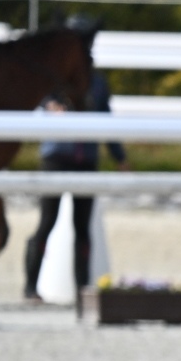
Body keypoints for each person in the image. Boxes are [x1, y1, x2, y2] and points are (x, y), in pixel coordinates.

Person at [20, 87, 126, 309]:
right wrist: (48, 106)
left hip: (86, 161)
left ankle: (82, 289)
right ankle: (30, 287)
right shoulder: (56, 79)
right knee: (47, 223)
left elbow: (106, 120)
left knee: (82, 228)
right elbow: (35, 98)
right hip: (56, 158)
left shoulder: (97, 84)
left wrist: (119, 157)